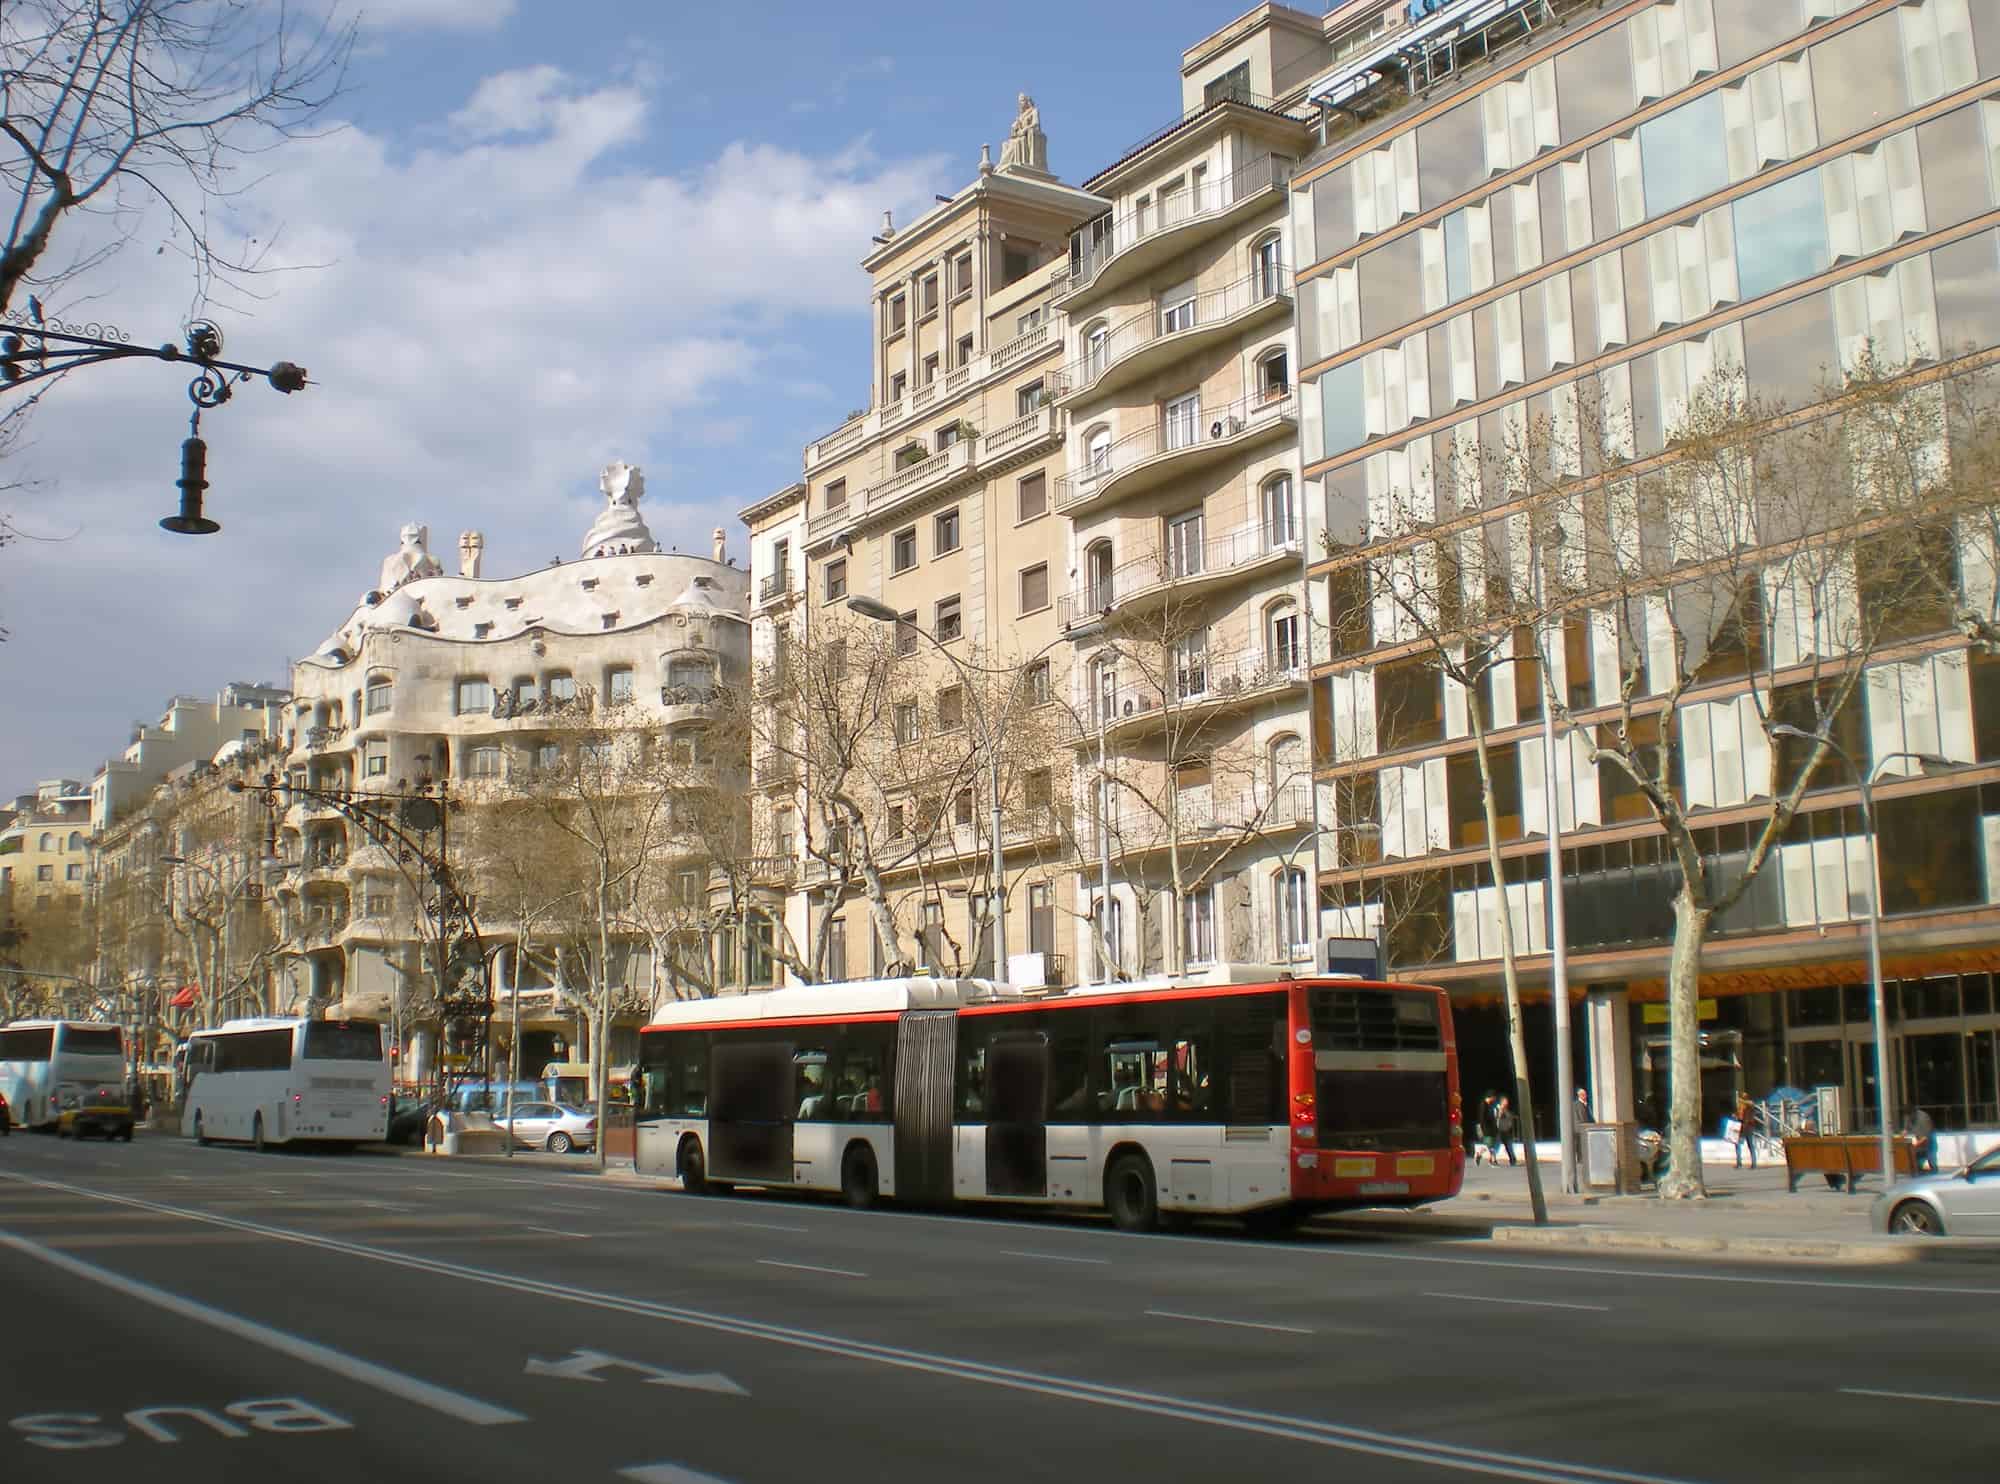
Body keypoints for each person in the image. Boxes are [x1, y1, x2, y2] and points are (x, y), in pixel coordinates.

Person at [1901, 1105, 1937, 1174]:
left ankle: (1929, 1170)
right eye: (1907, 1115)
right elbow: (1906, 1129)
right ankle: (1912, 1169)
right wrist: (1903, 1133)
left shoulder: (1923, 1118)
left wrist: (1917, 1144)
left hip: (1928, 1140)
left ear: (1913, 1112)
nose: (1908, 1117)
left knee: (1927, 1155)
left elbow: (1926, 1137)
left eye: (1909, 1115)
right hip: (1917, 1138)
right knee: (1906, 1148)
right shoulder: (1909, 1116)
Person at [1733, 1088, 1759, 1169]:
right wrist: (1735, 1115)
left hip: (1748, 1127)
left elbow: (1751, 1103)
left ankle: (1754, 1163)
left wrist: (1740, 1100)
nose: (1743, 1098)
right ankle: (1739, 1162)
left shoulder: (1749, 1105)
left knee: (1750, 1145)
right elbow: (1738, 1115)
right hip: (1741, 1127)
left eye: (1745, 1097)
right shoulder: (1741, 1107)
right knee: (1737, 1144)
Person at [1493, 1095, 1518, 1167]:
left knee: (1509, 1146)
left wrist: (1506, 1112)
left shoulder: (1507, 1110)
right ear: (1501, 1102)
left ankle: (1513, 1160)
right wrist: (1500, 1110)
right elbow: (1496, 1118)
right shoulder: (1497, 1109)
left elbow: (1510, 1118)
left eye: (1507, 1101)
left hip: (1506, 1131)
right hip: (1499, 1131)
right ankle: (1493, 1160)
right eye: (1505, 1101)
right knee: (1496, 1146)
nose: (1506, 1103)